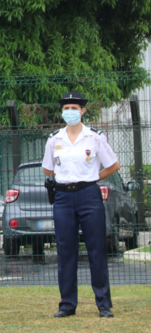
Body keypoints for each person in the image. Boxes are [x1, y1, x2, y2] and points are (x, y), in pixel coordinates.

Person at [42, 91, 119, 318]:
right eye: (66, 108)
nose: (70, 112)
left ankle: (103, 304)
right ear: (61, 112)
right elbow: (48, 168)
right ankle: (67, 304)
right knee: (66, 251)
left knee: (96, 249)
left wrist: (94, 177)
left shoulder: (94, 137)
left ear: (83, 111)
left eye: (74, 108)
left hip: (88, 195)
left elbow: (113, 165)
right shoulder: (54, 139)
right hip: (63, 197)